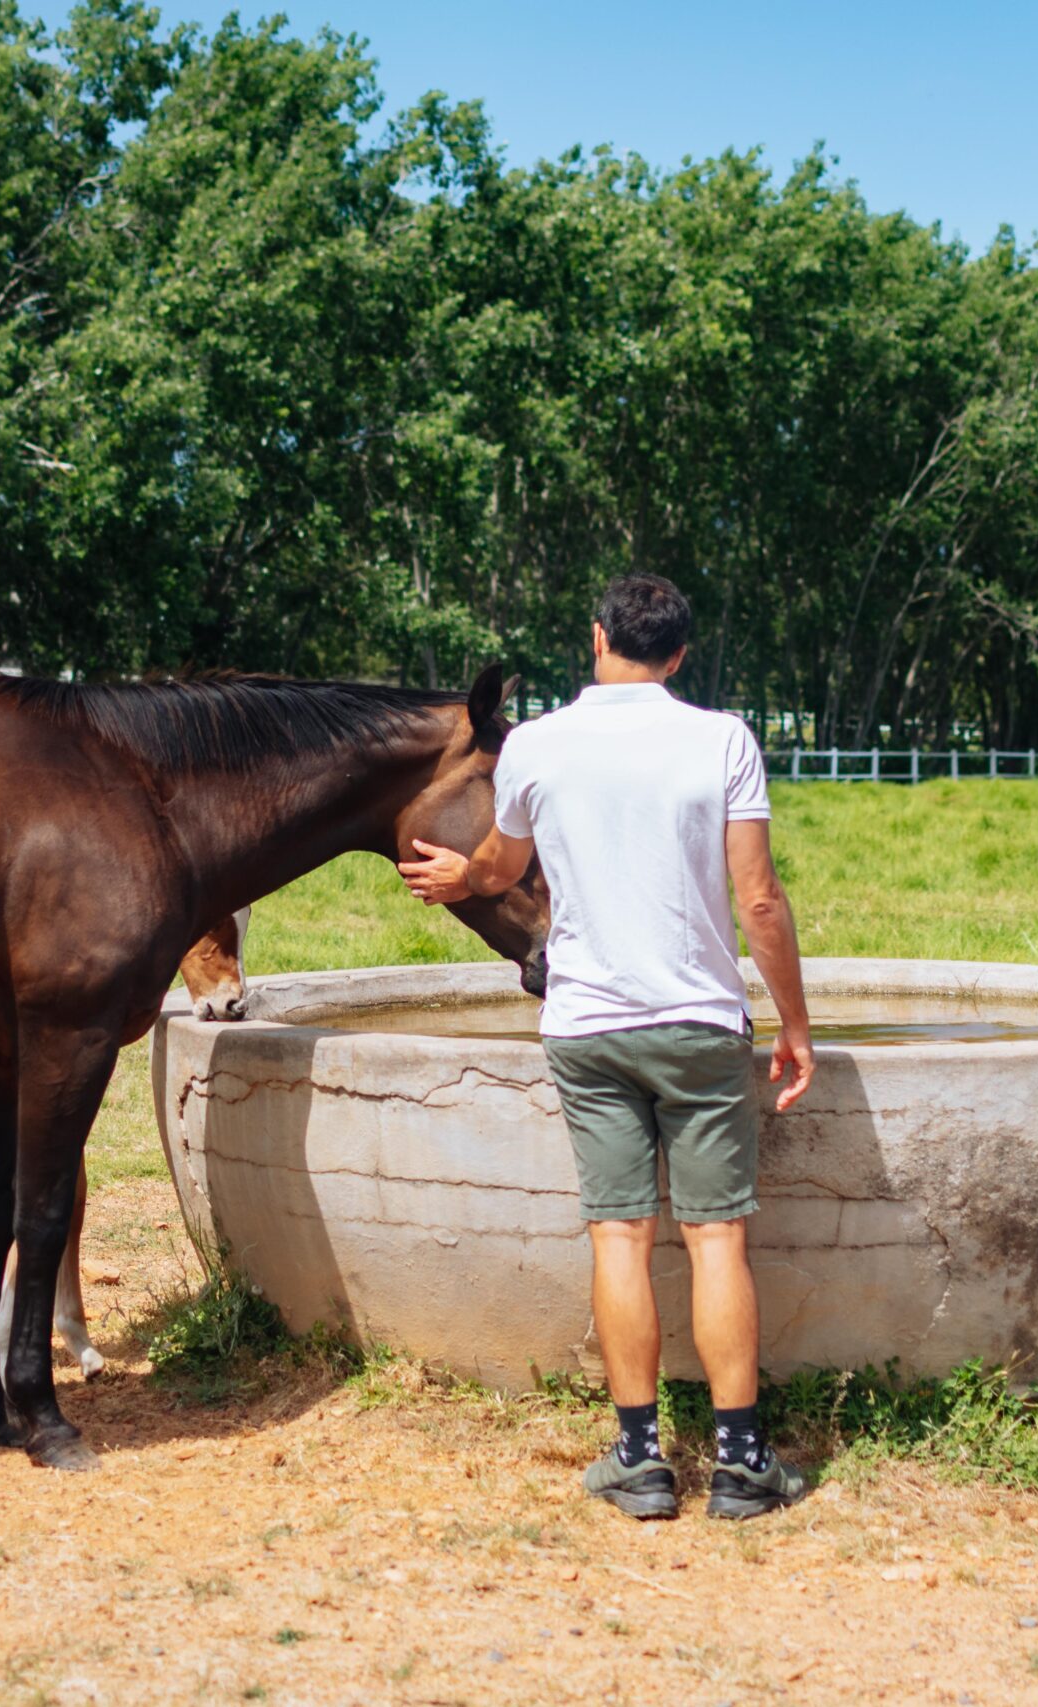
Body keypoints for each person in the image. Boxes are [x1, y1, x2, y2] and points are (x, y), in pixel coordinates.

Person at [397, 573, 816, 1520]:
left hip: (587, 1027)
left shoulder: (537, 745)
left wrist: (465, 875)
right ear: (679, 656)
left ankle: (639, 1459)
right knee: (717, 1239)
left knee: (620, 1236)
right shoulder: (723, 740)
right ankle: (741, 1462)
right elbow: (758, 899)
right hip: (698, 1022)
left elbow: (502, 866)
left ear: (597, 638)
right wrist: (794, 1025)